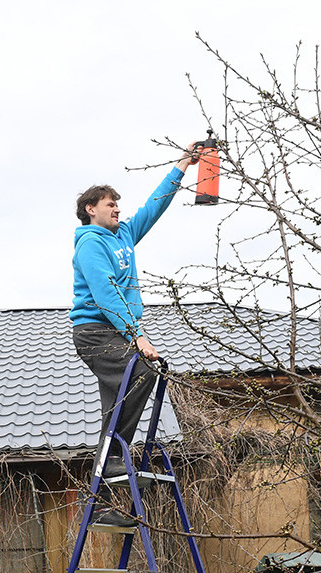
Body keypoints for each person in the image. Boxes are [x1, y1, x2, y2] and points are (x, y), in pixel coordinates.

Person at [71, 143, 199, 528]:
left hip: (116, 332)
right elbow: (105, 292)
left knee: (117, 411)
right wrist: (138, 334)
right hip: (95, 332)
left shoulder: (124, 234)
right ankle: (114, 457)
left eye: (117, 205)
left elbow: (154, 206)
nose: (117, 209)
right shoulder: (90, 243)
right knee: (143, 369)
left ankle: (99, 502)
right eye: (110, 204)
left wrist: (183, 164)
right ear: (91, 209)